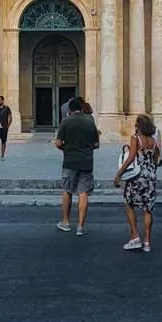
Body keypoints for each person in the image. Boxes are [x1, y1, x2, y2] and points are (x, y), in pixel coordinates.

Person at [113, 114, 161, 252]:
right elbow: (156, 160)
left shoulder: (136, 138)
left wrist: (119, 174)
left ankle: (135, 236)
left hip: (137, 176)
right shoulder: (154, 141)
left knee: (129, 204)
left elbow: (131, 158)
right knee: (148, 209)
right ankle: (147, 242)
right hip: (150, 176)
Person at [54, 95, 98, 236]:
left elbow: (58, 143)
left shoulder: (66, 121)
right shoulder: (90, 122)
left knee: (67, 190)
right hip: (86, 161)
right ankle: (80, 226)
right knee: (83, 193)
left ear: (70, 110)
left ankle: (66, 222)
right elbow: (96, 144)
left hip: (70, 160)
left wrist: (67, 149)